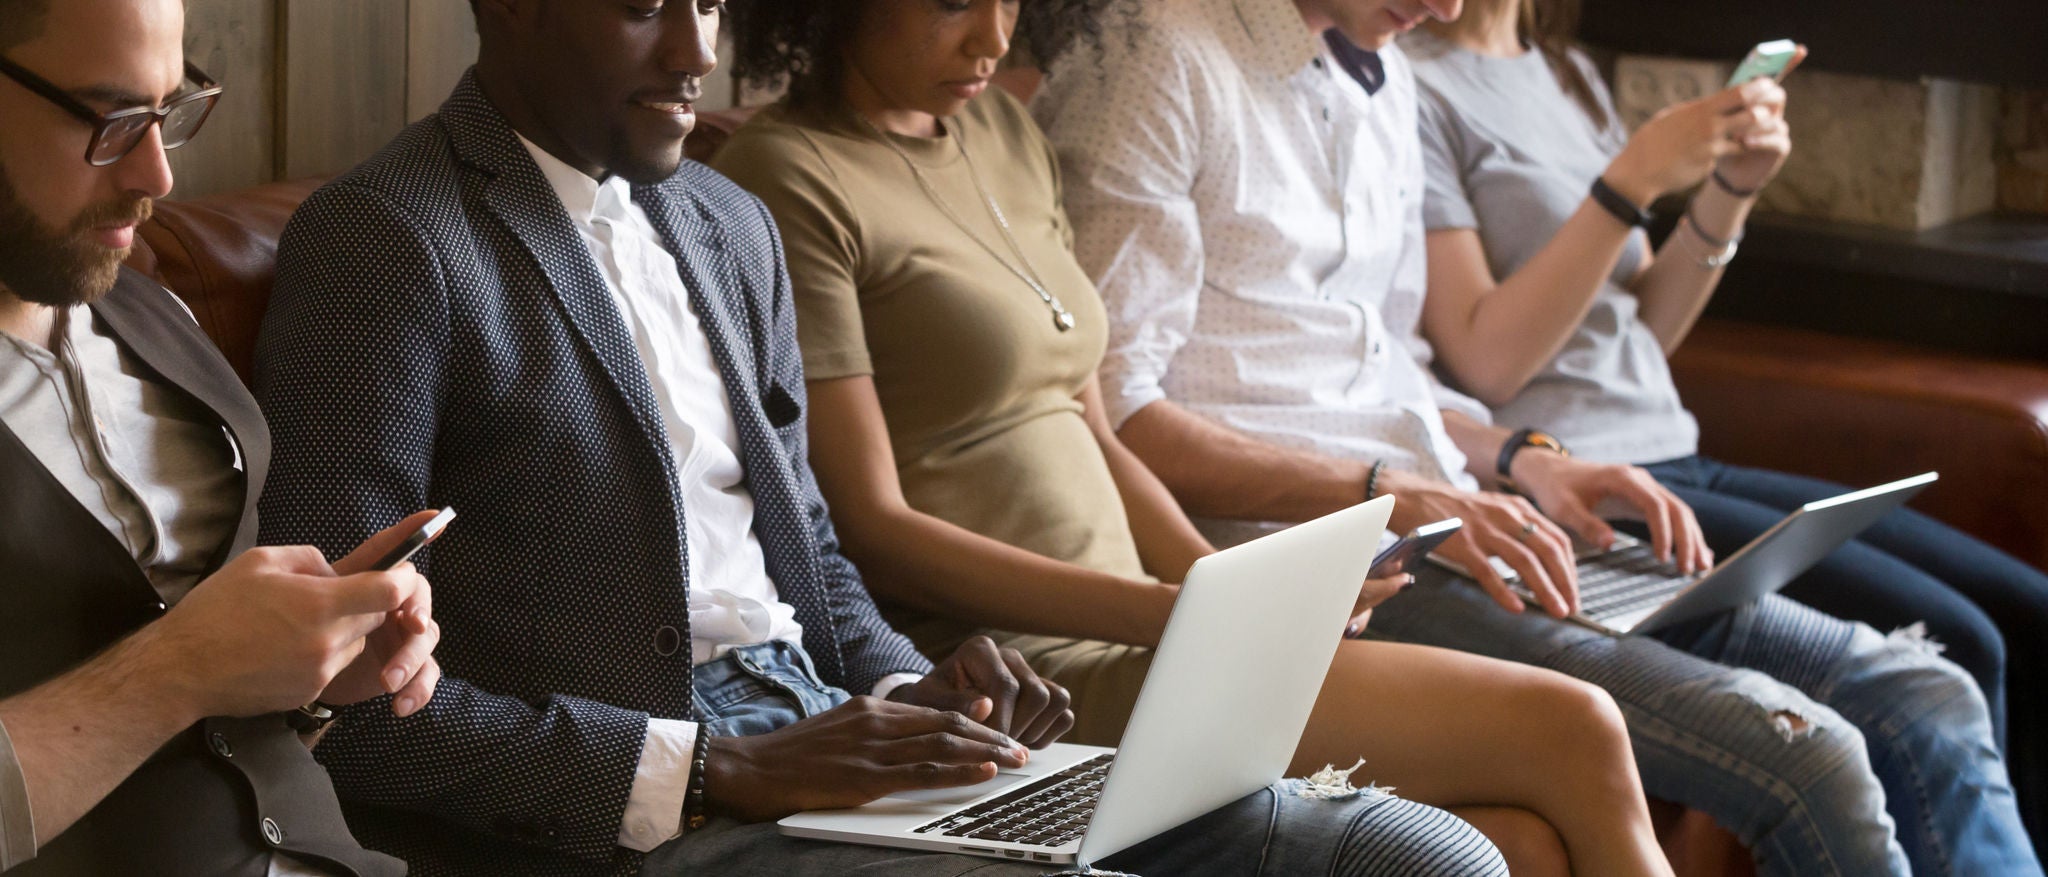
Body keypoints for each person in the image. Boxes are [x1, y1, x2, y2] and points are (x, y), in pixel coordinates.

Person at [251, 0, 1510, 874]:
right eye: (644, 5)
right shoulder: (389, 242)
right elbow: (332, 698)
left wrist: (916, 684)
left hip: (833, 720)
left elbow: (809, 553)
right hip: (648, 801)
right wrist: (719, 772)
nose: (698, 47)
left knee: (1422, 853)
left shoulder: (724, 225)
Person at [1032, 0, 2036, 874]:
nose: (1444, 5)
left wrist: (1521, 460)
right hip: (1339, 568)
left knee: (1917, 685)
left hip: (1470, 517)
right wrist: (1381, 490)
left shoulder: (1378, 80)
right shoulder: (1150, 59)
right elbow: (1117, 411)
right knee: (1807, 750)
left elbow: (1391, 372)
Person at [712, 1, 1674, 873]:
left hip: (1149, 629)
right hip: (1021, 676)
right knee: (1576, 724)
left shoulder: (999, 129)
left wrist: (1229, 596)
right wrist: (1167, 612)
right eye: (955, 4)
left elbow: (1097, 432)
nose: (995, 40)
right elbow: (870, 526)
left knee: (1529, 848)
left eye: (1011, 0)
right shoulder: (787, 176)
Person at [1401, 0, 2048, 857]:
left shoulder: (1564, 72)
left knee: (2024, 607)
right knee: (1960, 641)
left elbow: (1646, 332)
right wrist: (1628, 183)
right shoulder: (1411, 90)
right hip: (1586, 477)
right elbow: (1486, 363)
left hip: (1677, 445)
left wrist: (1728, 191)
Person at [0, 0, 441, 874]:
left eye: (169, 112)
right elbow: (172, 674)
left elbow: (219, 748)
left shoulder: (144, 312)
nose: (158, 175)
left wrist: (308, 671)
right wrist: (178, 669)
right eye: (115, 119)